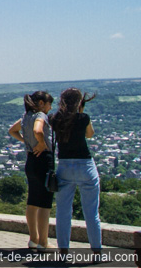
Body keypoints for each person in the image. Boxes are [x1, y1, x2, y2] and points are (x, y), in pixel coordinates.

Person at [51, 87, 101, 254]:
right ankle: (96, 251)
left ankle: (63, 251)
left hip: (64, 166)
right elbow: (90, 135)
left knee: (63, 212)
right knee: (91, 213)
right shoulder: (83, 118)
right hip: (85, 165)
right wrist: (81, 112)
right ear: (79, 102)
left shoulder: (55, 118)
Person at [8, 90, 54, 251]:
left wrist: (25, 141)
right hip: (43, 160)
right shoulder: (40, 116)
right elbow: (38, 130)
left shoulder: (26, 116)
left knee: (32, 200)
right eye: (49, 104)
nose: (50, 108)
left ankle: (33, 239)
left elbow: (12, 130)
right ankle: (43, 242)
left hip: (31, 160)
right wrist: (41, 143)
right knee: (45, 203)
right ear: (41, 103)